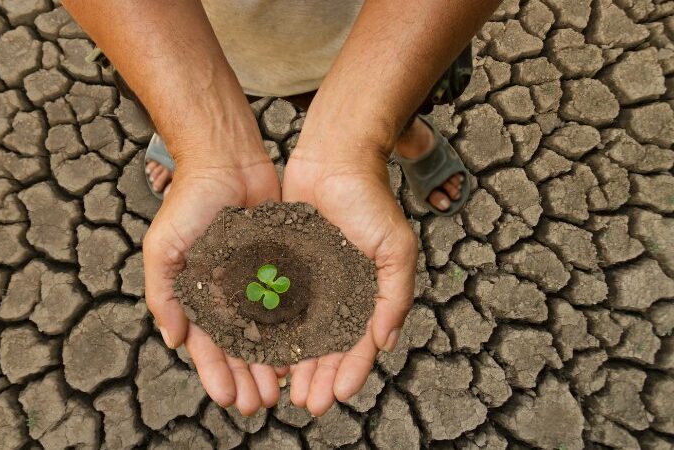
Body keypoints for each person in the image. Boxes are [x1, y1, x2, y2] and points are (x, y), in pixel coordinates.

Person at [62, 0, 501, 417]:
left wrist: (358, 140)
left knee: (398, 106)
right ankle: (190, 136)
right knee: (171, 108)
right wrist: (202, 137)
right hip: (175, 43)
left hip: (386, 42)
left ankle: (398, 135)